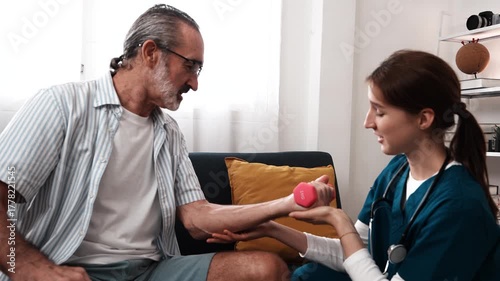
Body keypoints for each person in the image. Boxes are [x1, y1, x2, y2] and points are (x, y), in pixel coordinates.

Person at [0, 4, 335, 281]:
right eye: (190, 66)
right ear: (150, 52)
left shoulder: (168, 132)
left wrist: (286, 202)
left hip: (151, 271)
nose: (194, 83)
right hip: (73, 269)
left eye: (198, 71)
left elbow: (197, 218)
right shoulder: (62, 105)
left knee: (267, 269)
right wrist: (31, 269)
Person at [209, 50, 500, 281]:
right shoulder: (397, 171)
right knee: (312, 275)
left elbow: (354, 249)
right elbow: (356, 253)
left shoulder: (459, 205)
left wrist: (339, 221)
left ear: (424, 119)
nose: (367, 122)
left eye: (380, 111)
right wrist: (272, 229)